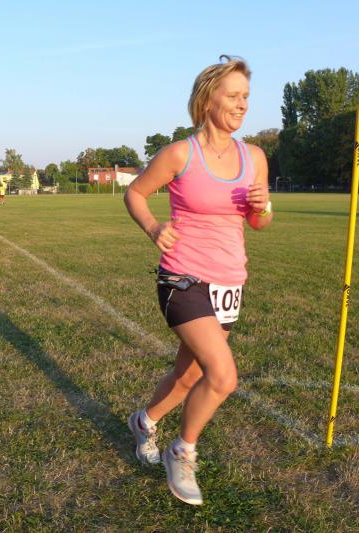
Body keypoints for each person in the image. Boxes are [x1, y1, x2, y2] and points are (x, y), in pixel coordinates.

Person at [124, 55, 273, 506]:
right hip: (182, 277)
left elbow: (259, 223)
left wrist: (263, 207)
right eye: (234, 96)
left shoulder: (255, 157)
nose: (242, 104)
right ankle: (182, 451)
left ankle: (144, 422)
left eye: (246, 96)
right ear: (208, 100)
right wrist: (153, 227)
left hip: (230, 281)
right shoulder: (180, 154)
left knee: (188, 375)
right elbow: (135, 192)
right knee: (223, 376)